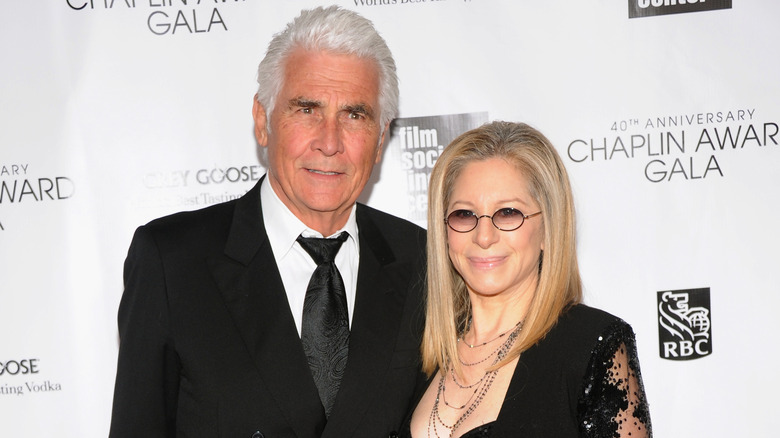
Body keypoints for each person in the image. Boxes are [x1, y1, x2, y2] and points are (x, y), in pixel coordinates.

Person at [109, 6, 426, 438]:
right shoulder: (172, 261)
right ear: (263, 121)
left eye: (354, 115)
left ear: (380, 138)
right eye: (307, 109)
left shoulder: (424, 263)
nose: (329, 142)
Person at [402, 121, 652, 437]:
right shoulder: (415, 352)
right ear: (443, 230)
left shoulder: (590, 346)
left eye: (508, 213)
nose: (483, 236)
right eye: (464, 214)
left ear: (548, 228)